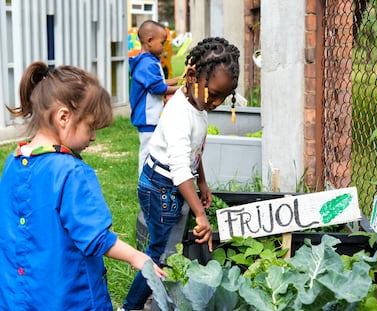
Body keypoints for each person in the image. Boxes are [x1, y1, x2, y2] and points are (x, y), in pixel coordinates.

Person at [0, 61, 166, 311]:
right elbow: (95, 238)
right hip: (70, 299)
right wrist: (137, 256)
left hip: (19, 299)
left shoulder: (13, 162)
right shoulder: (72, 171)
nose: (93, 137)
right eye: (90, 127)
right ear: (64, 117)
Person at [120, 37, 240, 311]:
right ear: (192, 76)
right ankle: (131, 306)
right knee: (159, 251)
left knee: (170, 245)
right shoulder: (178, 114)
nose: (217, 102)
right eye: (214, 93)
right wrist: (200, 213)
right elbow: (178, 168)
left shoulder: (199, 106)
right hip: (160, 186)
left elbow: (194, 152)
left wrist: (203, 182)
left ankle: (159, 296)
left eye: (225, 96)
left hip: (175, 185)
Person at [129, 20, 181, 175]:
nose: (164, 47)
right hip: (147, 117)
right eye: (163, 43)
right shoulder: (147, 64)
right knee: (147, 152)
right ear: (150, 41)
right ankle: (143, 183)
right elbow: (159, 88)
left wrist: (178, 79)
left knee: (154, 149)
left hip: (152, 116)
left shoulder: (149, 61)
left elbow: (158, 82)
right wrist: (182, 88)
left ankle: (151, 180)